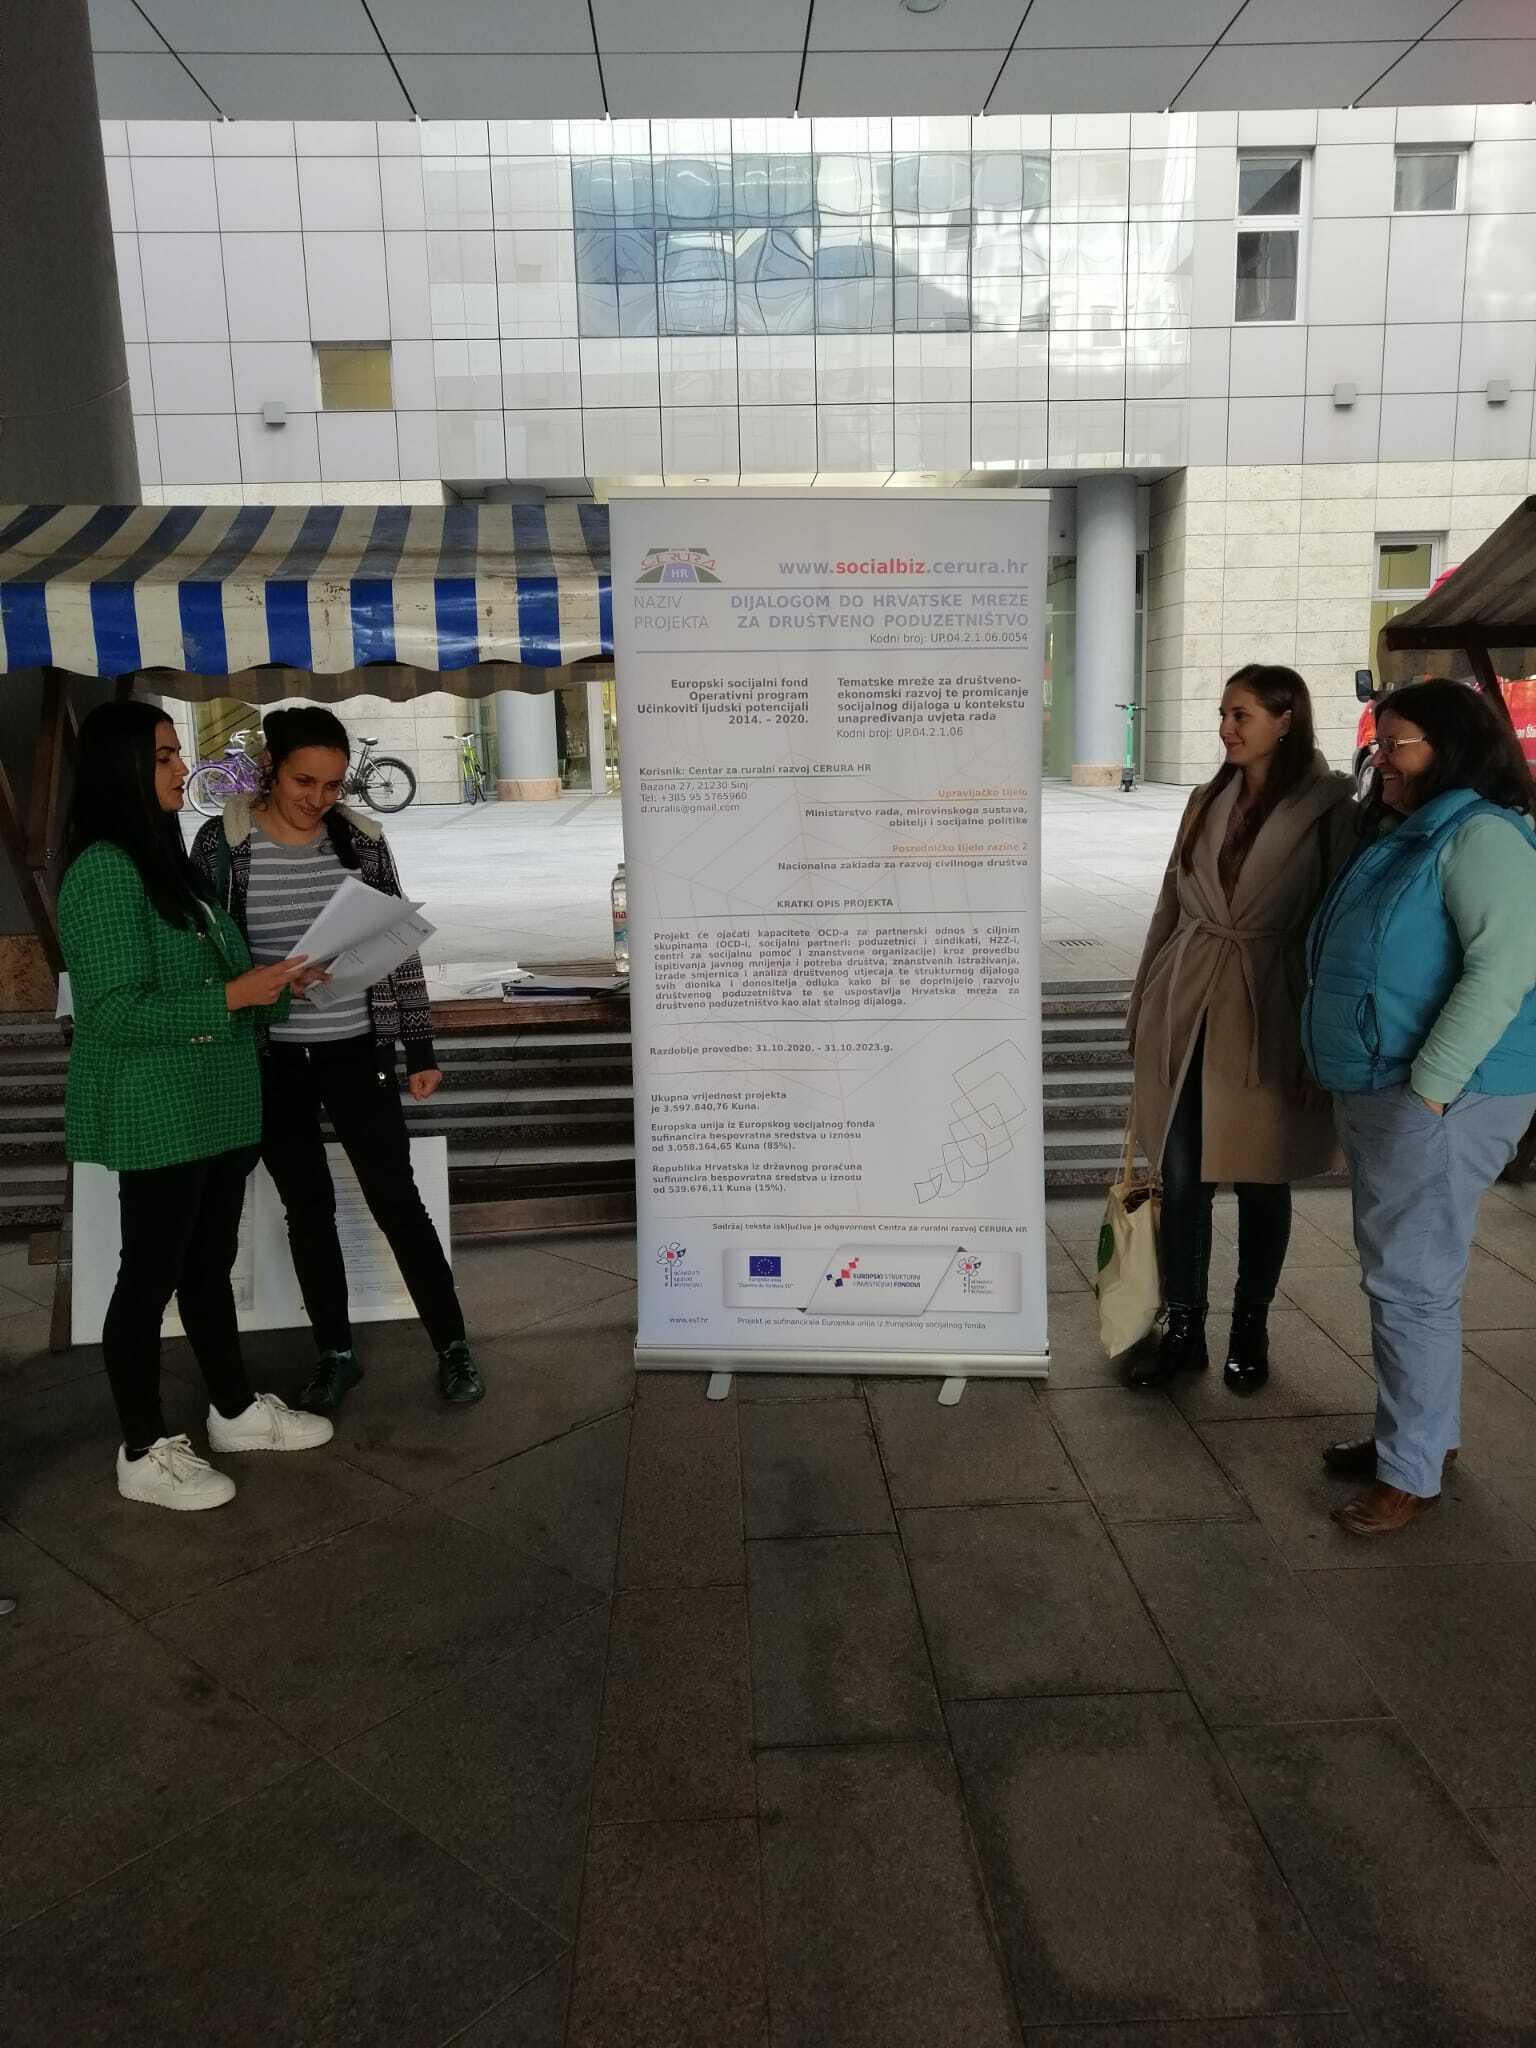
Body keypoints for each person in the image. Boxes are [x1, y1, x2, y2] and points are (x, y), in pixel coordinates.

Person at [59, 703, 333, 1512]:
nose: (183, 769)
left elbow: (212, 982)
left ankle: (234, 1411)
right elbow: (113, 1012)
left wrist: (276, 988)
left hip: (212, 1103)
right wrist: (235, 995)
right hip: (158, 1110)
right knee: (147, 1279)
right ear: (118, 769)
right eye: (163, 756)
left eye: (176, 753)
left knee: (208, 1268)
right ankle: (142, 1450)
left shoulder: (167, 863)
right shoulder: (104, 870)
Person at [191, 707, 482, 1412]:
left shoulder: (361, 841)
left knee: (396, 1201)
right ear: (271, 768)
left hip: (357, 1048)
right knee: (308, 1207)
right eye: (304, 781)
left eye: (331, 784)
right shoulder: (223, 845)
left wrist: (419, 1046)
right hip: (272, 1058)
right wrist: (267, 982)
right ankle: (336, 1353)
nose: (318, 798)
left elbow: (397, 945)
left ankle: (452, 1345)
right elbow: (206, 955)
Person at [1303, 681, 1536, 1536]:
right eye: (1380, 742)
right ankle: (1421, 1437)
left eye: (1398, 742)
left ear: (1453, 747)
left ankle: (1411, 1472)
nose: (1381, 758)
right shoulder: (1416, 830)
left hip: (1445, 1096)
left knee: (1412, 1284)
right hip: (1395, 1087)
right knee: (1408, 1276)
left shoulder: (1483, 836)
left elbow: (1503, 970)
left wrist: (1432, 1087)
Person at [1126, 666, 1355, 1392]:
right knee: (1182, 1177)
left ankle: (1250, 1327)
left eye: (1241, 714)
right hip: (1187, 997)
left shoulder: (1330, 808)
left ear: (1286, 721)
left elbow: (1336, 929)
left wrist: (1320, 1042)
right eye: (1223, 714)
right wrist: (1142, 1002)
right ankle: (1184, 1329)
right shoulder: (1205, 798)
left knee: (1261, 1178)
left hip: (1269, 1006)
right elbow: (1169, 905)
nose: (1226, 728)